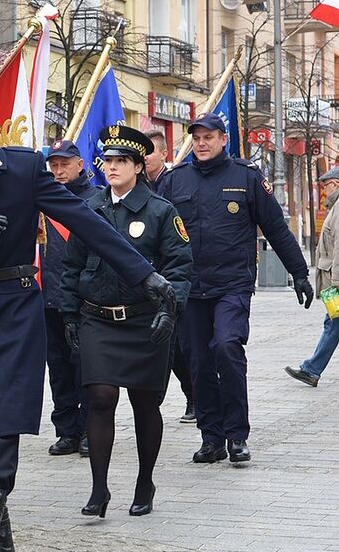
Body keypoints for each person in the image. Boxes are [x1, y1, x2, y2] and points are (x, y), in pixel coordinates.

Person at [0, 72, 176, 552]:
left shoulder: (22, 167)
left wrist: (144, 274)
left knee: (2, 409)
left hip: (13, 299)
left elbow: (86, 221)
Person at [158, 112, 313, 465]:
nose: (201, 143)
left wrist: (299, 274)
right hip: (190, 289)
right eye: (196, 137)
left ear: (223, 139)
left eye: (208, 137)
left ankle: (237, 436)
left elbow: (275, 228)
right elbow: (156, 231)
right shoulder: (175, 181)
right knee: (198, 363)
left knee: (226, 348)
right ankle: (211, 437)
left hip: (232, 285)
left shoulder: (246, 177)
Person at [61, 126, 192, 518]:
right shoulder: (89, 210)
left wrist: (172, 310)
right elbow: (72, 266)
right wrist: (69, 313)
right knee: (100, 396)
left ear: (138, 166)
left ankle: (144, 481)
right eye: (108, 161)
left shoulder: (160, 212)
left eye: (121, 161)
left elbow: (180, 269)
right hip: (98, 318)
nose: (112, 167)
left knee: (144, 402)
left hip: (144, 321)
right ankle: (99, 488)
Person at [42, 139, 101, 457]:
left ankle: (92, 428)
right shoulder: (43, 200)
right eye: (53, 165)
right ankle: (66, 430)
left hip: (84, 300)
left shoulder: (95, 200)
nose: (59, 170)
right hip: (48, 298)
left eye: (65, 163)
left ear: (80, 164)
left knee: (86, 368)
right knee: (59, 368)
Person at [144, 129, 195, 423]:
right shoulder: (134, 184)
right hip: (146, 277)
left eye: (151, 151)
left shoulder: (174, 184)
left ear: (164, 154)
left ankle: (193, 395)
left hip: (173, 275)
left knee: (179, 346)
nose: (146, 158)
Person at [285, 167, 339, 387]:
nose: (324, 190)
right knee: (333, 324)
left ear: (335, 184)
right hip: (332, 279)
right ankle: (311, 369)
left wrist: (336, 283)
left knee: (333, 324)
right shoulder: (334, 207)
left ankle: (311, 370)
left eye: (326, 185)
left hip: (335, 281)